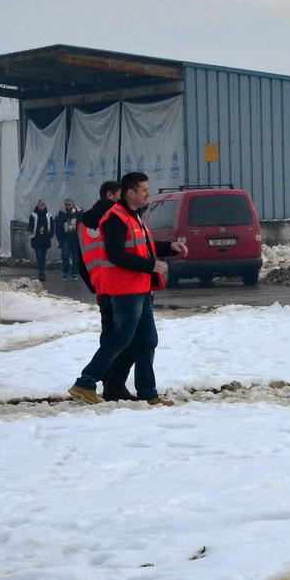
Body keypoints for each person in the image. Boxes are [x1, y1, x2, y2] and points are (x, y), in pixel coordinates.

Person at [68, 172, 188, 406]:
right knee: (121, 337)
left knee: (148, 341)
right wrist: (150, 265)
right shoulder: (115, 217)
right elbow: (115, 255)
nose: (148, 194)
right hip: (124, 290)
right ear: (130, 192)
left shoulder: (134, 216)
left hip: (140, 287)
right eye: (144, 190)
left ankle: (148, 393)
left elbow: (145, 246)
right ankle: (85, 382)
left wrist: (169, 247)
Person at [77, 181, 138, 401]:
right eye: (121, 195)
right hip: (122, 285)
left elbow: (81, 260)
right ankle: (110, 384)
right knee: (126, 338)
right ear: (110, 195)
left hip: (103, 287)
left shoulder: (84, 224)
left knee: (112, 337)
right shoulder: (114, 216)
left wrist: (94, 284)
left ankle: (108, 384)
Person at [56, 198, 81, 280]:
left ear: (72, 204)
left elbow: (82, 224)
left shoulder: (79, 212)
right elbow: (58, 226)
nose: (68, 206)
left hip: (75, 238)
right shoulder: (62, 213)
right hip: (65, 238)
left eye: (69, 204)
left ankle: (75, 273)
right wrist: (60, 240)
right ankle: (66, 272)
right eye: (66, 204)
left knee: (75, 256)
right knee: (65, 255)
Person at [28, 200, 53, 281]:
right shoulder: (33, 214)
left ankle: (42, 271)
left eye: (43, 205)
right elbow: (30, 225)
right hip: (36, 239)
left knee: (43, 257)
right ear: (38, 205)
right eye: (40, 205)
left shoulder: (48, 215)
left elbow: (52, 225)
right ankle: (41, 272)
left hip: (45, 239)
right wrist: (30, 231)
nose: (42, 206)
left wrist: (51, 234)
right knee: (39, 256)